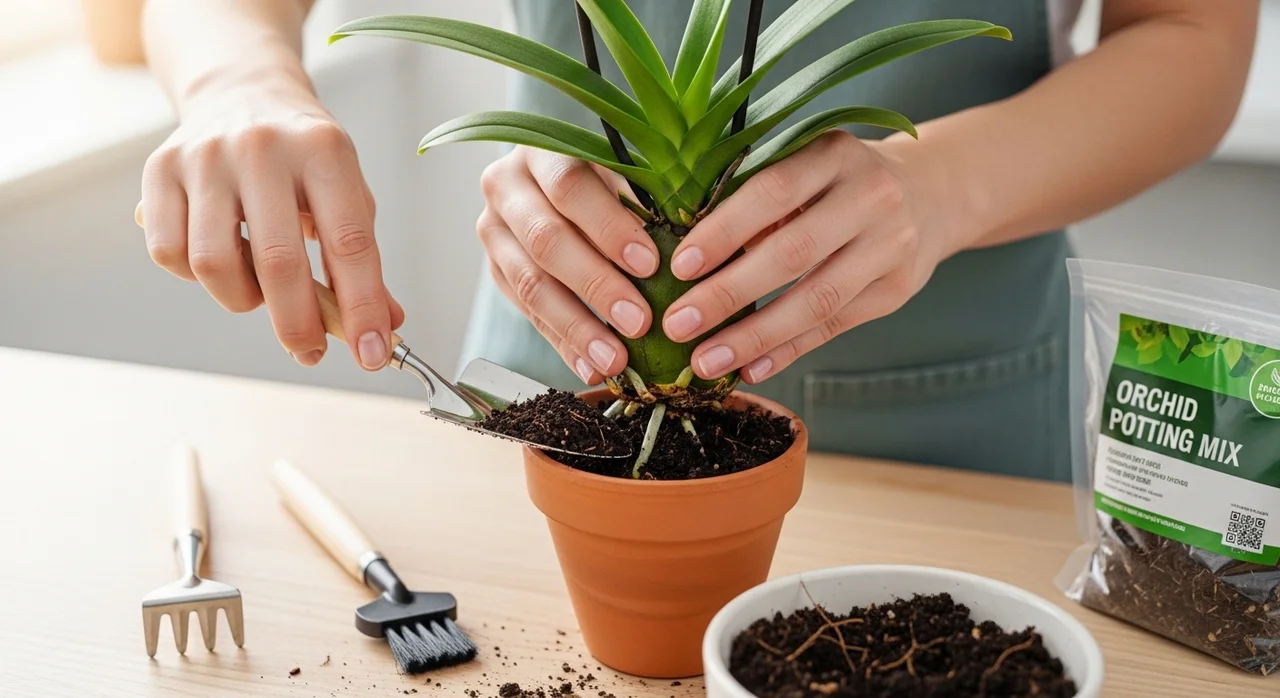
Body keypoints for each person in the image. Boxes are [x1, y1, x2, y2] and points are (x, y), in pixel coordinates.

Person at [138, 0, 1258, 481]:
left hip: (956, 419)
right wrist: (237, 81)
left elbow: (1192, 33)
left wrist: (942, 185)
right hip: (559, 372)